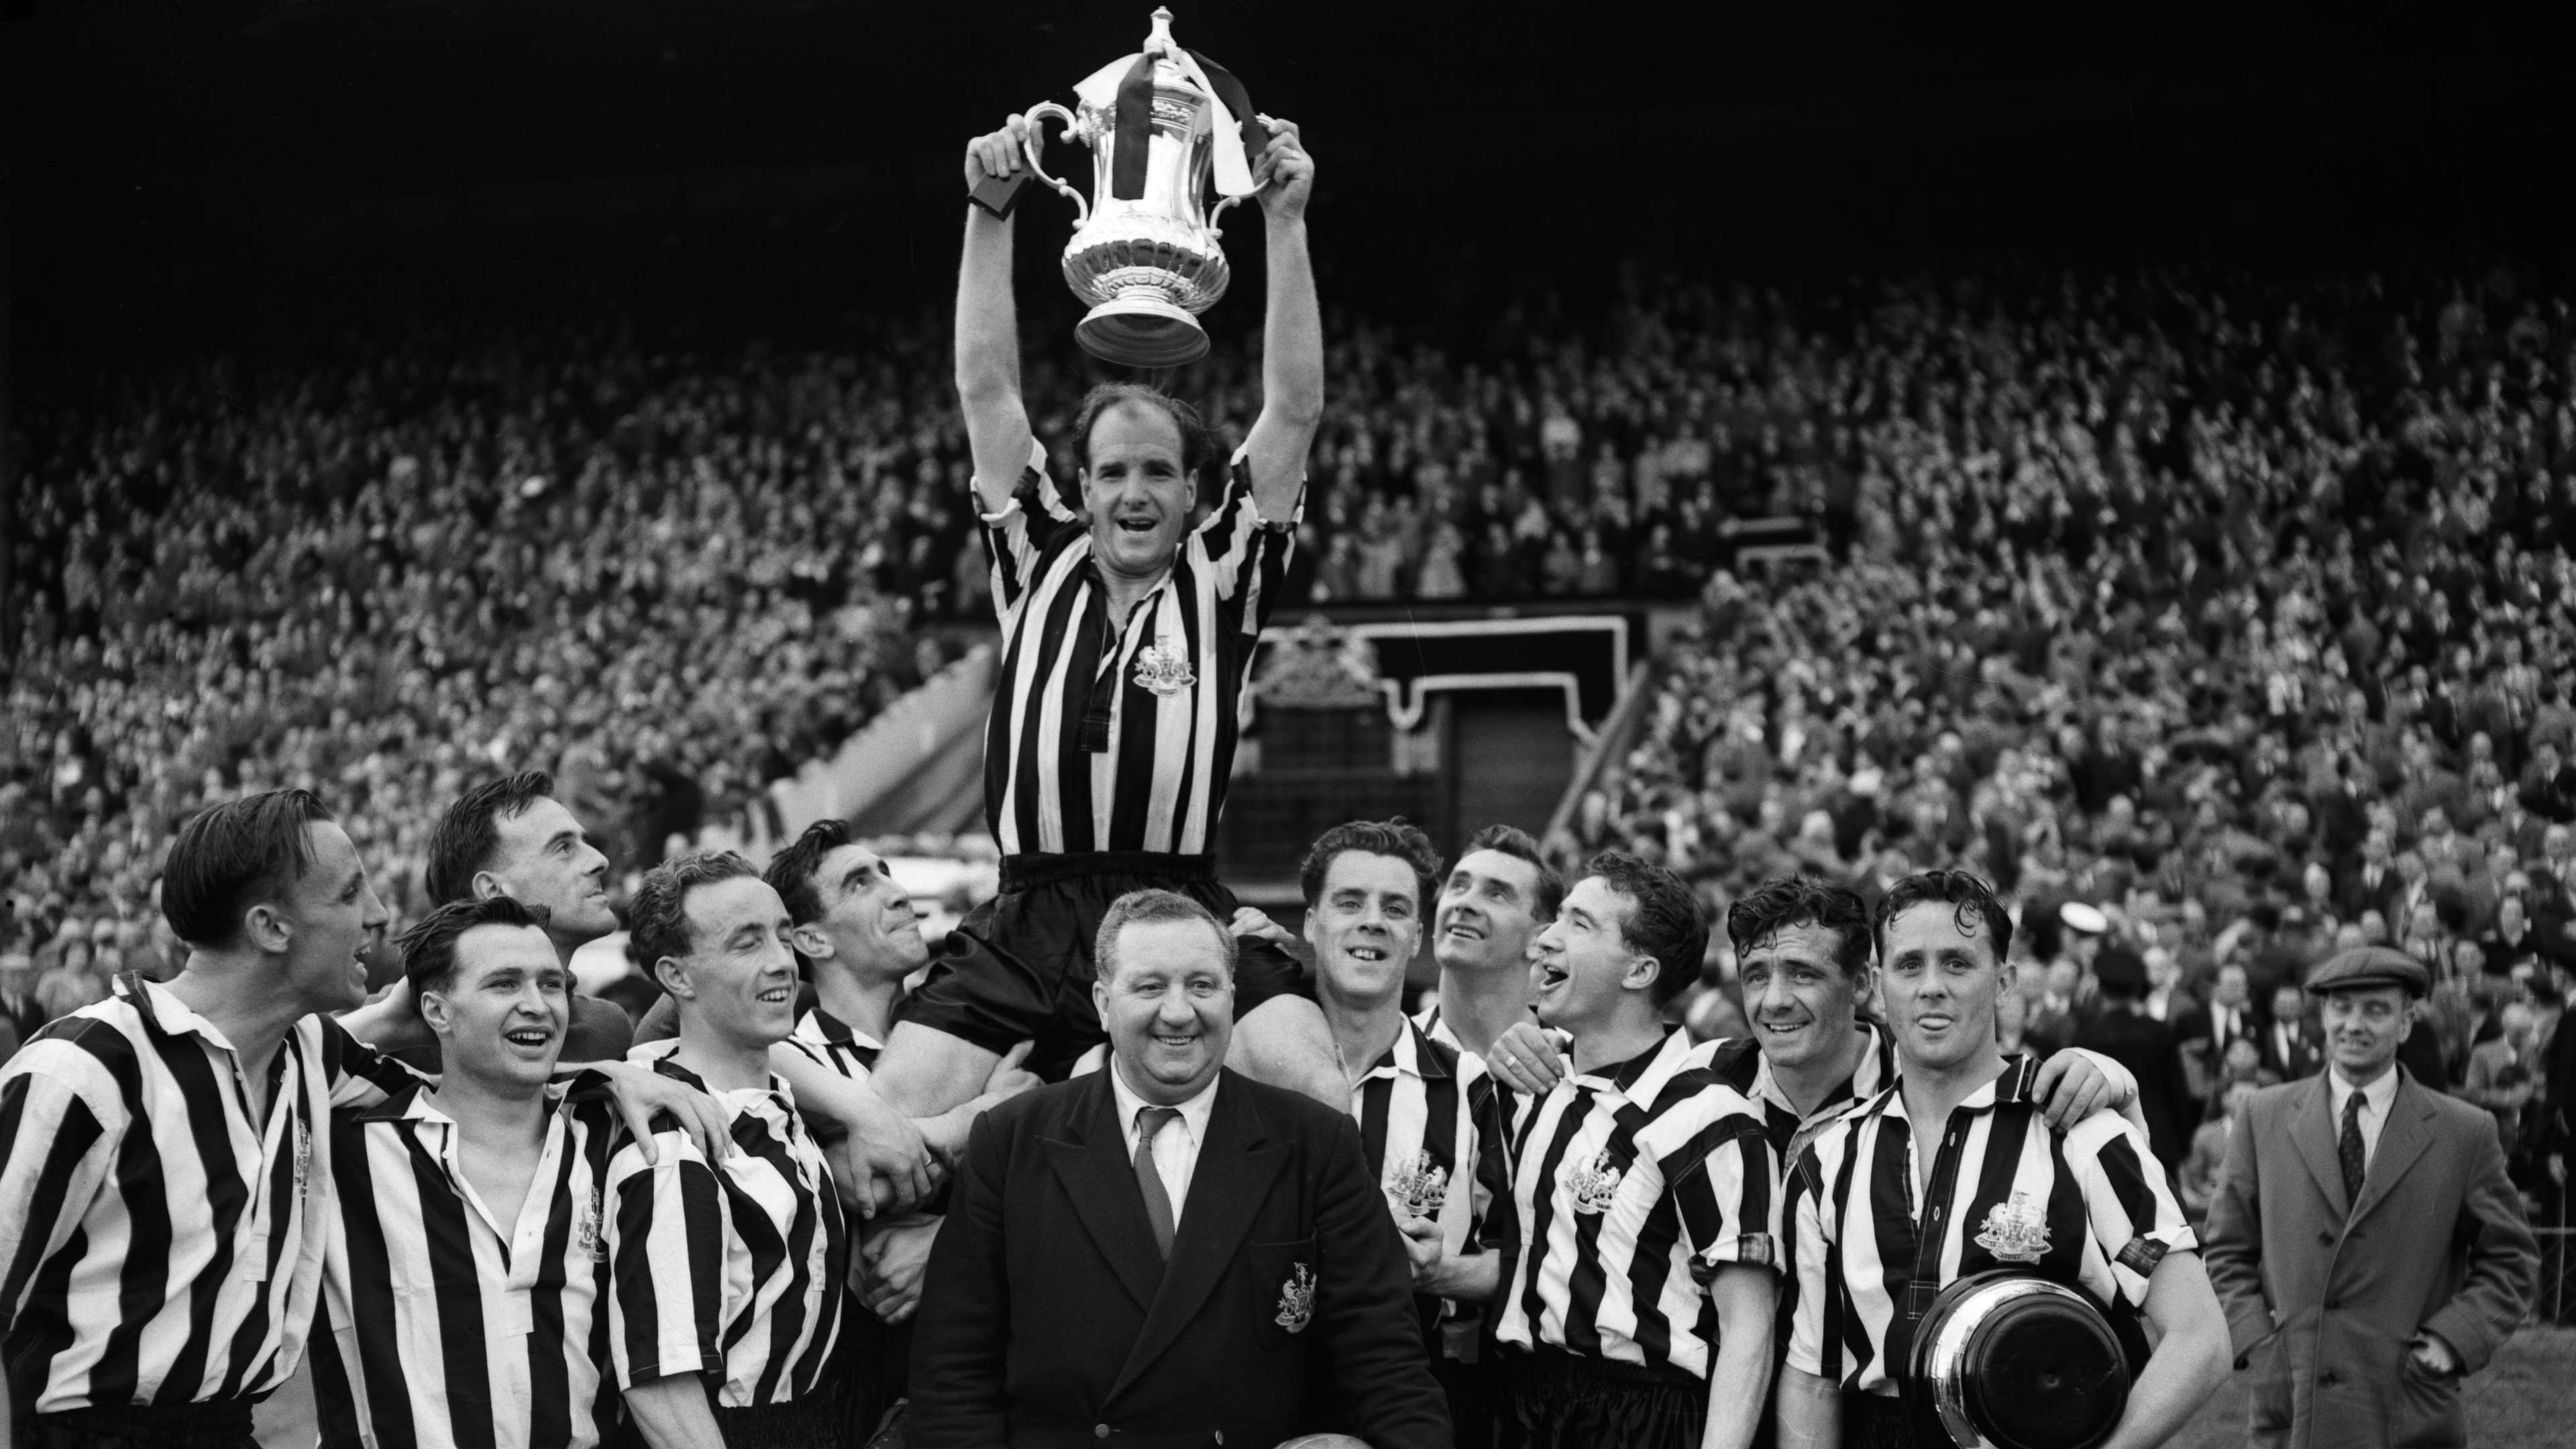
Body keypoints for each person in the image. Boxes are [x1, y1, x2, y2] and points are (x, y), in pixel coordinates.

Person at [874, 103, 1338, 1129]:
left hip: (1177, 906)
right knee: (884, 1129)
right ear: (1079, 489)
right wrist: (989, 211)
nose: (1135, 492)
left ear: (1191, 494)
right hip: (1027, 913)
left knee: (1316, 1092)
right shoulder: (1036, 554)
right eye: (1114, 472)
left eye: (1159, 474)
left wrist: (1286, 221)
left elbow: (1295, 411)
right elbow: (985, 386)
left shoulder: (1224, 574)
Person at [0, 791, 720, 1449]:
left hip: (230, 1429)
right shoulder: (82, 1070)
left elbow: (464, 1085)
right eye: (350, 893)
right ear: (270, 926)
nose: (379, 914)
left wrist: (607, 1074)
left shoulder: (310, 1056)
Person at [910, 890, 1448, 1449]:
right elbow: (954, 1371)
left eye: (1202, 985)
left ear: (1232, 998)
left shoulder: (1316, 1141)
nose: (1178, 1011)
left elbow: (1386, 1359)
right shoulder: (1011, 1140)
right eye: (1149, 986)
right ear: (1101, 1002)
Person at [1776, 869, 2231, 1449]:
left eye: (1958, 964)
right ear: (1874, 983)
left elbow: (2200, 1339)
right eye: (1909, 965)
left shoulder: (2080, 1132)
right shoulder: (1828, 1159)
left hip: (2037, 1432)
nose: (1932, 986)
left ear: (2004, 982)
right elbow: (1814, 1379)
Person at [1467, 853, 1782, 1449]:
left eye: (1579, 925)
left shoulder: (1709, 1116)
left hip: (1642, 1413)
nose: (1546, 939)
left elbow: (1750, 1328)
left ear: (1639, 972)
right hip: (1517, 1401)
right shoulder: (1525, 1089)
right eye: (1556, 918)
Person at [311, 896, 627, 1449]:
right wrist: (387, 1018)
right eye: (504, 984)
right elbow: (248, 1063)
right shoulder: (347, 1144)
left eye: (552, 985)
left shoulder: (609, 1135)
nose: (537, 1005)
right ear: (435, 1010)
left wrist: (617, 1079)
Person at [2200, 947, 2539, 1449]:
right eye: (2342, 1008)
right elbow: (2226, 1248)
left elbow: (2512, 1259)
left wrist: (2453, 1341)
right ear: (2323, 1016)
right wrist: (2259, 1342)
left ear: (2406, 1024)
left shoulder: (2464, 1132)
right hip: (2291, 1409)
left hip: (2407, 1412)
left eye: (2376, 1010)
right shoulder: (2262, 1117)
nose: (2354, 1024)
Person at [606, 852, 853, 1448]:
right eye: (747, 945)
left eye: (783, 936)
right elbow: (660, 1386)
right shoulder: (671, 1144)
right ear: (678, 978)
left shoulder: (779, 1097)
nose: (781, 962)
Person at [1285, 819, 1508, 1443]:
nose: (1372, 921)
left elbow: (1514, 1262)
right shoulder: (1246, 1066)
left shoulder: (1473, 1087)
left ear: (1417, 938)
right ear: (1311, 924)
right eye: (1350, 903)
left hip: (1414, 1394)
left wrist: (1433, 1273)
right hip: (1258, 1395)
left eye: (1396, 909)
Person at [419, 769, 637, 1064]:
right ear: (494, 890)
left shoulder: (607, 1030)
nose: (600, 861)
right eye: (564, 848)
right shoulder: (401, 1031)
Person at [2075, 946, 2196, 1169]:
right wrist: (2183, 1144)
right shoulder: (2160, 1033)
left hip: (2106, 1143)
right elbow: (2177, 1091)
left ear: (2101, 989)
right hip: (2159, 1140)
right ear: (2136, 990)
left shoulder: (2087, 1037)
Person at [2259, 980, 2325, 1081]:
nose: (2288, 1008)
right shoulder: (2264, 1035)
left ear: (2302, 1005)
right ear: (2272, 1005)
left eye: (2293, 1004)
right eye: (2283, 1003)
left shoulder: (2316, 1033)